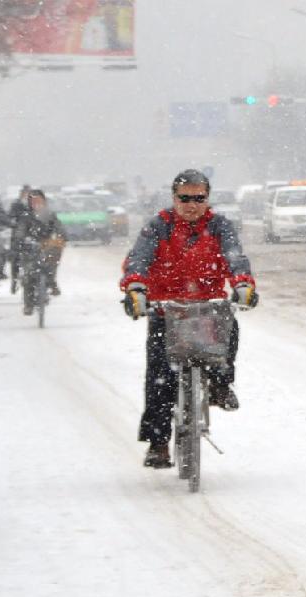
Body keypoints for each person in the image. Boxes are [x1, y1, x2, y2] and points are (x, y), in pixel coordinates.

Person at [120, 169, 257, 469]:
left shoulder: (220, 226)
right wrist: (136, 288)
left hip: (208, 308)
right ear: (174, 198)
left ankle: (220, 384)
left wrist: (242, 285)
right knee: (160, 376)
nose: (192, 205)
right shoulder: (159, 226)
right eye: (185, 198)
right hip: (166, 310)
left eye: (198, 198)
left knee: (229, 330)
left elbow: (235, 257)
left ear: (207, 199)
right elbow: (139, 259)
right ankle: (158, 444)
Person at [18, 190, 67, 314]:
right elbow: (20, 231)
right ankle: (28, 304)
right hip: (30, 247)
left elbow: (59, 228)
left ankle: (51, 282)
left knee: (51, 262)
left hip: (47, 245)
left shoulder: (50, 215)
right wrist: (24, 240)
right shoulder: (26, 216)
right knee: (29, 275)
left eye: (39, 200)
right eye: (33, 201)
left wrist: (61, 236)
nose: (37, 203)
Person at [8, 185, 33, 281]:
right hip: (18, 235)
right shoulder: (16, 205)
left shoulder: (35, 205)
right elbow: (10, 217)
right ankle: (14, 279)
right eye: (25, 193)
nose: (26, 195)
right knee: (15, 257)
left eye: (28, 194)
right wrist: (13, 222)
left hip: (32, 233)